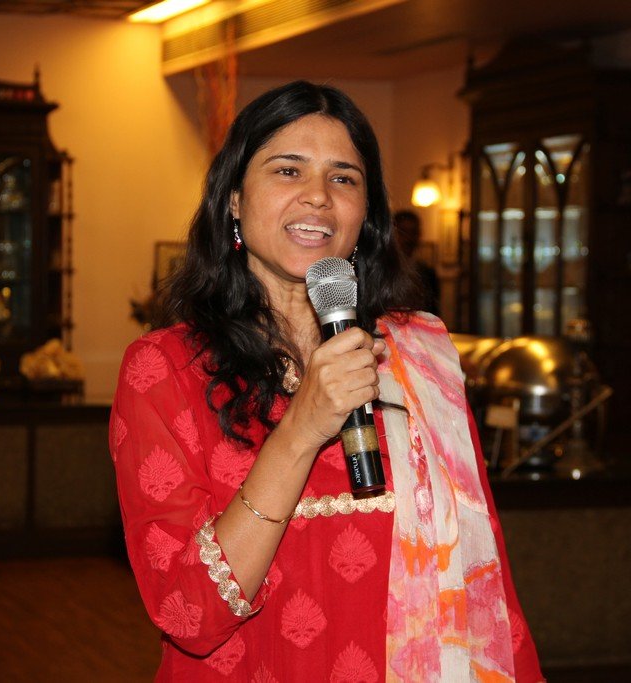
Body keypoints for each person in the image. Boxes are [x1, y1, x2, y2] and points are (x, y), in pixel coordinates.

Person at [110, 81, 543, 682]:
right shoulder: (164, 370)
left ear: (365, 215)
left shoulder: (419, 357)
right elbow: (190, 615)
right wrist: (301, 429)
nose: (318, 196)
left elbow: (483, 580)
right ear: (233, 199)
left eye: (344, 178)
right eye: (288, 170)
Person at [394, 209, 440, 316]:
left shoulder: (428, 273)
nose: (408, 238)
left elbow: (433, 312)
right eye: (403, 232)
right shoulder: (381, 271)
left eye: (413, 232)